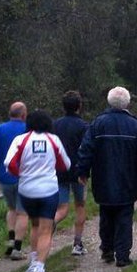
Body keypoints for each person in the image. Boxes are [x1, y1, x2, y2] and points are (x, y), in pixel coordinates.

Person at [76, 87, 137, 267]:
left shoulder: (98, 123)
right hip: (127, 177)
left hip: (103, 176)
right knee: (124, 216)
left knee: (106, 214)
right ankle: (123, 255)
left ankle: (107, 249)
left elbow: (86, 149)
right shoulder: (134, 125)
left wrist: (83, 171)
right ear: (127, 103)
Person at [4, 110, 71, 272]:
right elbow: (65, 164)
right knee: (46, 229)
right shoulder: (53, 140)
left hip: (27, 190)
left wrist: (21, 174)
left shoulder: (20, 139)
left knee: (34, 224)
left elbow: (9, 163)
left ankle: (33, 262)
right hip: (48, 190)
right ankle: (40, 269)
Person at [0, 101, 29, 260]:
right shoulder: (28, 129)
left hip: (4, 176)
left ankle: (11, 240)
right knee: (23, 212)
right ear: (23, 115)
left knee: (11, 209)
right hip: (23, 176)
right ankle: (17, 249)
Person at [52, 91, 89, 256]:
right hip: (78, 171)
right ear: (79, 106)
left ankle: (52, 222)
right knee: (80, 206)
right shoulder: (84, 126)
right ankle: (77, 244)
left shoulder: (55, 125)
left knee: (62, 208)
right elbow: (86, 149)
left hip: (59, 170)